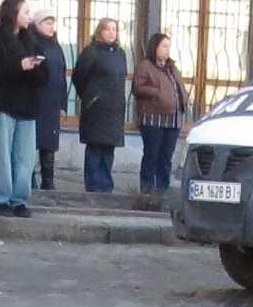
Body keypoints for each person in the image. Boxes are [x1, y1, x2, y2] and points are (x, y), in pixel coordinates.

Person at [0, 0, 46, 218]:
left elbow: (43, 75)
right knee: (1, 155)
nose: (29, 16)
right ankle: (1, 199)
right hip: (3, 105)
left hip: (27, 106)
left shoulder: (31, 40)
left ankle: (20, 200)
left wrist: (35, 68)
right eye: (25, 12)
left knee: (25, 157)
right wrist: (20, 66)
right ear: (13, 14)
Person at [72, 16, 130, 194]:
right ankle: (93, 188)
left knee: (108, 150)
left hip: (114, 111)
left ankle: (106, 189)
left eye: (114, 29)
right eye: (107, 29)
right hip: (96, 110)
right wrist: (91, 96)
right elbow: (79, 77)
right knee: (95, 149)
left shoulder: (120, 54)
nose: (111, 32)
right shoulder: (91, 52)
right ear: (99, 31)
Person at [132, 32, 185, 195]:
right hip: (153, 118)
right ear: (155, 47)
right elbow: (138, 88)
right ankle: (147, 190)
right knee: (152, 155)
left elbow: (178, 86)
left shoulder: (171, 67)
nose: (167, 50)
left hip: (173, 119)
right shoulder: (145, 66)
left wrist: (183, 98)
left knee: (166, 157)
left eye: (169, 46)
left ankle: (162, 190)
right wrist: (156, 92)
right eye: (164, 46)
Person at [31, 11, 71, 193]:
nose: (50, 27)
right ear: (37, 25)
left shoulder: (56, 47)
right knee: (31, 142)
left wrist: (63, 104)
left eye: (52, 24)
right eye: (46, 23)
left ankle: (48, 181)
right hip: (36, 101)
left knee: (49, 144)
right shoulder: (32, 43)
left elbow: (62, 77)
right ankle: (29, 179)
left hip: (52, 103)